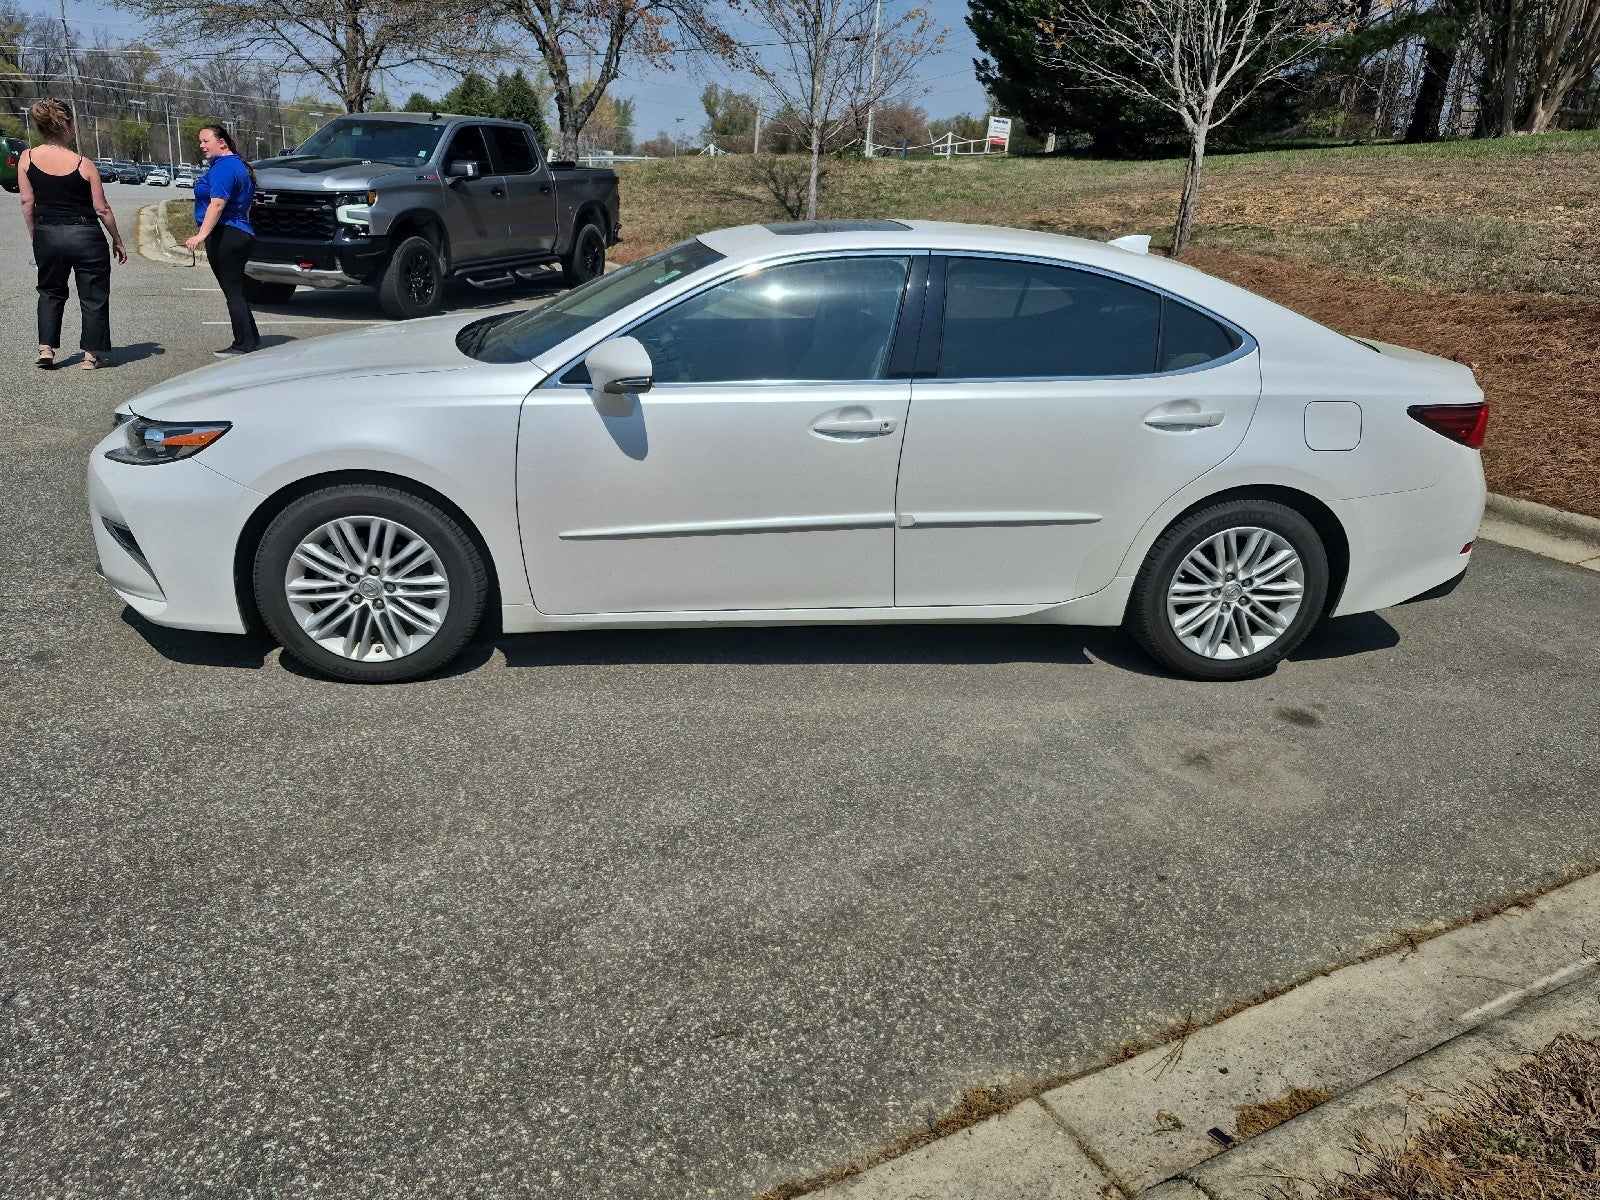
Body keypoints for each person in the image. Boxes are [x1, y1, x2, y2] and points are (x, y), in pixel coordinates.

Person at [16, 98, 128, 369]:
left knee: (50, 291)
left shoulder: (27, 158)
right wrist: (117, 239)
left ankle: (46, 348)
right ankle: (91, 355)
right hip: (86, 235)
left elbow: (27, 203)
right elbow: (101, 209)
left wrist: (35, 235)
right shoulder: (83, 163)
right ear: (66, 125)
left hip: (48, 233)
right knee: (93, 294)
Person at [186, 124, 260, 356]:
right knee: (235, 289)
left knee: (232, 291)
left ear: (222, 143)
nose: (201, 146)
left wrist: (201, 235)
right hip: (239, 233)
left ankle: (243, 344)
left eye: (205, 141)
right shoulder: (236, 165)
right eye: (201, 141)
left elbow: (217, 205)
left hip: (227, 234)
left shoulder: (224, 168)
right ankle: (252, 338)